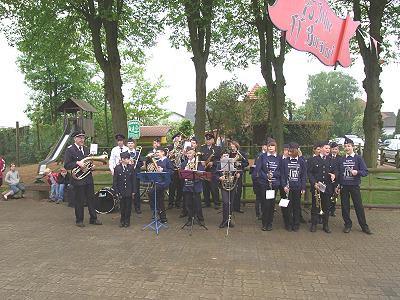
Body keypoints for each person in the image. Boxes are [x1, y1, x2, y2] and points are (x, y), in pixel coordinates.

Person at [64, 130, 102, 227]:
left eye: (83, 138)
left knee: (91, 199)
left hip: (88, 178)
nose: (82, 139)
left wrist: (92, 167)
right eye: (80, 138)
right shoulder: (70, 150)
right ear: (75, 139)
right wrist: (77, 163)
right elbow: (67, 165)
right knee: (79, 200)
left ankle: (93, 218)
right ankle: (79, 220)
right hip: (78, 180)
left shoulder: (86, 149)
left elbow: (89, 163)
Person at [338, 137, 372, 234]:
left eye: (348, 146)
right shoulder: (341, 159)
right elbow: (339, 173)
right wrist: (338, 185)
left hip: (354, 186)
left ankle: (364, 226)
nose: (347, 148)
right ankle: (347, 225)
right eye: (345, 146)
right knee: (345, 206)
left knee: (358, 206)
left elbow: (365, 172)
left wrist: (357, 172)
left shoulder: (358, 158)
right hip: (344, 186)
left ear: (353, 147)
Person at [308, 141, 337, 233]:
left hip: (327, 187)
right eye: (326, 148)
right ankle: (314, 224)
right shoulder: (313, 160)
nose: (328, 150)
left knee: (326, 207)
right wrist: (314, 183)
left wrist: (334, 175)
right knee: (315, 206)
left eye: (329, 148)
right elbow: (309, 173)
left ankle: (326, 225)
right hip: (317, 187)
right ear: (321, 149)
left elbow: (336, 171)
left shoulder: (332, 160)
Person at [255, 138, 281, 231]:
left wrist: (273, 175)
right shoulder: (262, 156)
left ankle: (270, 223)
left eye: (272, 146)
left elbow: (281, 171)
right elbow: (258, 170)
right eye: (269, 146)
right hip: (264, 184)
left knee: (271, 204)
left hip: (274, 184)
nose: (270, 147)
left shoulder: (279, 157)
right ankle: (264, 223)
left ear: (275, 147)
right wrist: (266, 176)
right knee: (265, 204)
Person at [281, 143, 307, 232]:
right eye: (289, 151)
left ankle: (296, 224)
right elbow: (283, 175)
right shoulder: (285, 161)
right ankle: (288, 223)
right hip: (287, 188)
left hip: (297, 187)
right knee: (287, 206)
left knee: (296, 206)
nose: (289, 152)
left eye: (291, 151)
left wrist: (303, 187)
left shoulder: (301, 161)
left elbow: (303, 176)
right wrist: (284, 185)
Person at [180, 147, 205, 226]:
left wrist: (196, 175)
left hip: (196, 185)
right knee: (188, 203)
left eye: (190, 153)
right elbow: (181, 174)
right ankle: (190, 218)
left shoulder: (199, 163)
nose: (188, 155)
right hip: (187, 185)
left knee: (197, 203)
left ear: (194, 153)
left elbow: (202, 173)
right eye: (187, 153)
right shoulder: (184, 163)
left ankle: (200, 219)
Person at [148, 147, 173, 223]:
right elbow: (151, 169)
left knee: (151, 193)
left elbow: (171, 171)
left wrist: (163, 170)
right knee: (160, 200)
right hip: (157, 182)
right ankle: (163, 217)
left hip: (164, 182)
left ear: (163, 152)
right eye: (156, 153)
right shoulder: (157, 161)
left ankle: (155, 210)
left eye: (158, 152)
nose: (156, 154)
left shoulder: (167, 160)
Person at [113, 151, 137, 228]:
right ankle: (122, 220)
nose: (128, 160)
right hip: (121, 190)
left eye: (128, 158)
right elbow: (115, 181)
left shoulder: (131, 168)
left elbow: (133, 180)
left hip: (129, 190)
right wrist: (116, 191)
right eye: (126, 159)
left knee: (128, 207)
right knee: (122, 207)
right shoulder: (117, 168)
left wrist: (133, 191)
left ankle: (127, 221)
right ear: (122, 159)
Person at [217, 151, 240, 228]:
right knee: (226, 202)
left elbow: (238, 172)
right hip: (224, 185)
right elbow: (215, 175)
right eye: (224, 156)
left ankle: (229, 220)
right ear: (221, 158)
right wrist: (219, 178)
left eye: (227, 155)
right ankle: (224, 220)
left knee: (231, 203)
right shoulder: (219, 165)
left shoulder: (233, 164)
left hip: (232, 185)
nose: (226, 157)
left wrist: (237, 175)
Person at [200, 133, 222, 209]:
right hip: (205, 170)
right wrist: (202, 162)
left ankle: (216, 203)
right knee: (205, 187)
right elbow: (200, 158)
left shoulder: (217, 148)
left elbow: (220, 160)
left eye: (209, 139)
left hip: (213, 170)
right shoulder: (202, 148)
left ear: (213, 140)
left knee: (214, 187)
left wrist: (213, 163)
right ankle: (207, 202)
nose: (208, 141)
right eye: (207, 139)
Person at [229, 140, 249, 213]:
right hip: (230, 173)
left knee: (239, 190)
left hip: (238, 174)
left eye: (233, 145)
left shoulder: (241, 153)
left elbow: (246, 163)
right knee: (231, 189)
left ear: (236, 146)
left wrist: (240, 164)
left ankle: (237, 207)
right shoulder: (229, 153)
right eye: (231, 145)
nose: (232, 147)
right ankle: (231, 207)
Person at [251, 141, 268, 220]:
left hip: (266, 180)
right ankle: (259, 213)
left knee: (265, 197)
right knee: (259, 197)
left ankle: (265, 212)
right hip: (258, 179)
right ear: (262, 146)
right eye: (265, 145)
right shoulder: (259, 155)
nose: (267, 147)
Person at [167, 132, 184, 211]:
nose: (179, 138)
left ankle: (178, 202)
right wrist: (172, 152)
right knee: (172, 187)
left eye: (179, 137)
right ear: (174, 139)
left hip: (180, 169)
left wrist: (183, 153)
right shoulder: (169, 147)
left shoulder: (182, 147)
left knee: (180, 187)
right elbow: (167, 158)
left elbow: (184, 158)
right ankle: (170, 203)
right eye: (177, 137)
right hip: (173, 169)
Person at [126, 138, 143, 214]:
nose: (130, 145)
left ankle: (137, 207)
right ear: (127, 145)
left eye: (131, 143)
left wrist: (135, 162)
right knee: (127, 191)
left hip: (135, 175)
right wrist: (128, 163)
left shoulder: (137, 153)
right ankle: (128, 207)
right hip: (127, 175)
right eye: (129, 143)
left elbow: (141, 164)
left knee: (136, 191)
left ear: (134, 144)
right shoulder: (124, 153)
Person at [328, 141, 341, 217]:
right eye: (333, 149)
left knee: (335, 195)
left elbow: (340, 170)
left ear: (338, 150)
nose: (334, 150)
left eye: (336, 149)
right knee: (328, 195)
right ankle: (327, 209)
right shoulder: (328, 157)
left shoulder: (340, 158)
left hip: (336, 180)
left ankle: (332, 210)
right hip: (328, 179)